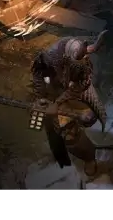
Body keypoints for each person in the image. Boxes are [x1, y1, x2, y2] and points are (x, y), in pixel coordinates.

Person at [30, 33, 107, 176]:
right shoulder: (48, 59)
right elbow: (39, 78)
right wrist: (42, 99)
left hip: (70, 93)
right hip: (52, 92)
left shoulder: (83, 63)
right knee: (65, 134)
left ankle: (88, 154)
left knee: (86, 120)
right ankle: (84, 155)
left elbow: (81, 85)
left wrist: (62, 103)